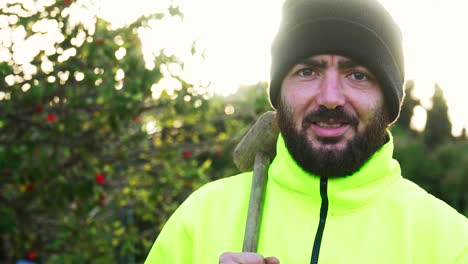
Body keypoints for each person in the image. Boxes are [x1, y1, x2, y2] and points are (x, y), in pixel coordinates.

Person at [145, 0, 468, 263]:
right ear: (279, 95)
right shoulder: (199, 220)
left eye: (357, 75)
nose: (330, 98)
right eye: (308, 71)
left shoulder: (452, 244)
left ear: (389, 99)